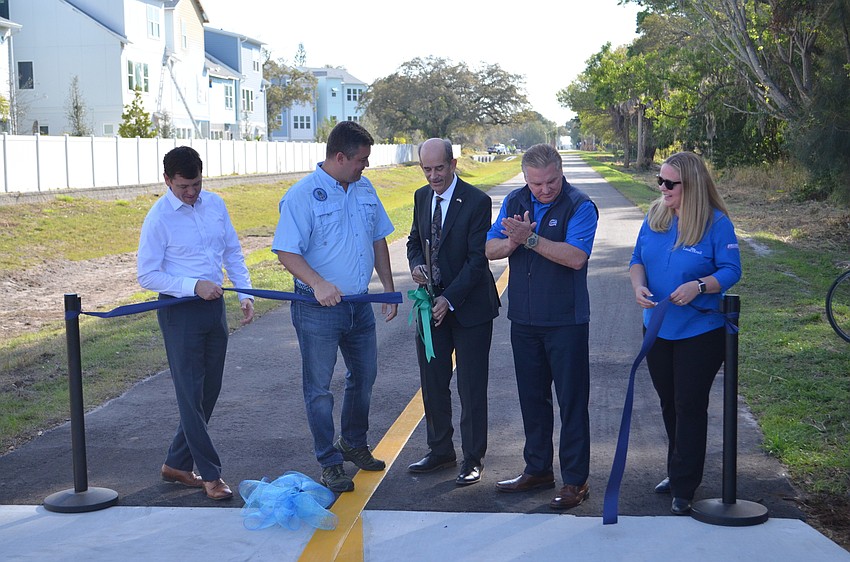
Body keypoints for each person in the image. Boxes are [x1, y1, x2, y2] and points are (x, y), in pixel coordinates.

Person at [272, 121, 398, 493]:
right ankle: (329, 462)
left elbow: (378, 239)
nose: (366, 166)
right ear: (340, 157)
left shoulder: (364, 188)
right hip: (317, 309)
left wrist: (388, 288)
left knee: (365, 378)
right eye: (361, 160)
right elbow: (285, 250)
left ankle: (353, 443)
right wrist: (318, 283)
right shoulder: (303, 195)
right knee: (319, 389)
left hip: (358, 305)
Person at [137, 145, 255, 501]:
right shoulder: (158, 218)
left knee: (208, 392)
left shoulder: (215, 205)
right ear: (167, 180)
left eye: (196, 184)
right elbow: (148, 275)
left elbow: (232, 251)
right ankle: (210, 474)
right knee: (190, 396)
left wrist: (244, 293)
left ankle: (175, 463)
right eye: (183, 186)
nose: (190, 193)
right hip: (180, 312)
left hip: (214, 308)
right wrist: (192, 286)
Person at [485, 143, 598, 510]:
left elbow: (576, 257)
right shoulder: (515, 201)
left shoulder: (580, 205)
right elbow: (490, 248)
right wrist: (514, 241)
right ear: (525, 179)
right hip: (525, 319)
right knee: (532, 401)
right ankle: (537, 469)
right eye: (536, 184)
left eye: (551, 181)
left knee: (571, 402)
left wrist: (528, 239)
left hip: (566, 321)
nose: (545, 190)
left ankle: (575, 481)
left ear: (561, 172)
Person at [629, 151, 742, 515]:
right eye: (659, 181)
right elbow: (636, 260)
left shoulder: (716, 223)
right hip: (659, 329)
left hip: (700, 331)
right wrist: (638, 287)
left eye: (669, 183)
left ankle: (684, 484)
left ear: (690, 186)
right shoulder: (656, 215)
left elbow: (731, 270)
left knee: (689, 404)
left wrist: (699, 285)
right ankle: (678, 468)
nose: (662, 188)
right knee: (668, 402)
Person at [406, 138, 500, 485]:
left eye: (439, 168)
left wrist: (451, 299)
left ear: (453, 164)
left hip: (470, 307)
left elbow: (478, 260)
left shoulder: (477, 201)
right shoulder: (420, 197)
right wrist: (417, 267)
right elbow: (415, 241)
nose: (433, 176)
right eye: (426, 169)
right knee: (433, 381)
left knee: (471, 386)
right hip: (430, 306)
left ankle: (473, 458)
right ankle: (440, 450)